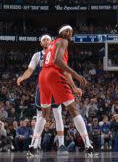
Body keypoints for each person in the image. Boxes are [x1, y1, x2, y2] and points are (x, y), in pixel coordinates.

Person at [37, 25, 94, 155]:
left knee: (44, 114)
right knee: (73, 109)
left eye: (71, 31)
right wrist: (77, 75)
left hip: (43, 76)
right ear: (61, 32)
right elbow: (58, 63)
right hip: (53, 74)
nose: (70, 33)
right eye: (67, 31)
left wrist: (74, 87)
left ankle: (33, 145)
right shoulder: (63, 41)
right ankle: (88, 144)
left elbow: (63, 69)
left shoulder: (53, 44)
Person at [18, 34, 66, 154]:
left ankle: (61, 144)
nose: (45, 41)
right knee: (40, 116)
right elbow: (30, 70)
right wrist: (22, 77)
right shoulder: (37, 55)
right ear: (41, 43)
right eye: (43, 40)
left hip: (55, 86)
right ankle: (36, 144)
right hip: (42, 88)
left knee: (58, 114)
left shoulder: (56, 54)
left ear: (51, 42)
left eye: (48, 39)